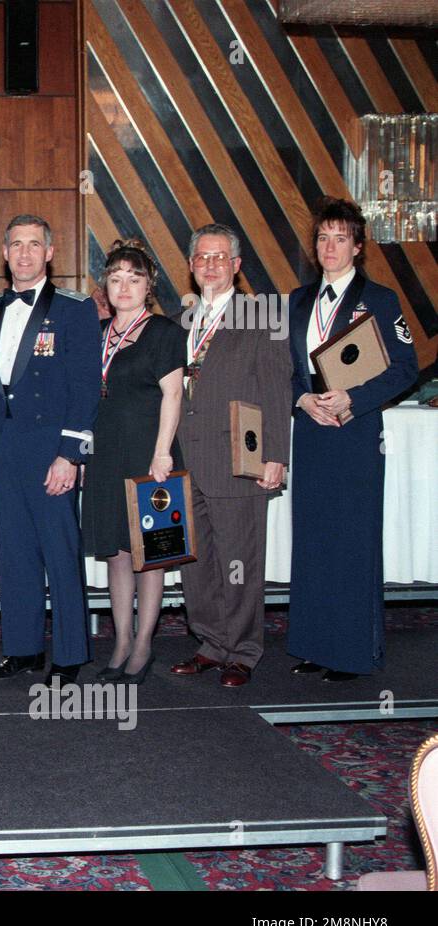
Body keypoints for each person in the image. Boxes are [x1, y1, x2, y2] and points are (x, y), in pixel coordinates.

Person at [286, 198, 417, 680]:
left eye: (340, 238)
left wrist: (353, 399)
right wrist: (302, 401)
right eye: (323, 237)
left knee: (353, 542)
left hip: (356, 433)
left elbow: (405, 368)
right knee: (314, 540)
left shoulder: (379, 300)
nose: (330, 247)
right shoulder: (297, 300)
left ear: (358, 247)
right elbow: (284, 370)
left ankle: (352, 651)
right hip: (312, 433)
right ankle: (314, 644)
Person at [0, 215, 101, 684]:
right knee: (16, 552)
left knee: (60, 553)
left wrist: (71, 454)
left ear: (49, 253)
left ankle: (69, 655)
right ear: (4, 253)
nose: (24, 253)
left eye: (33, 245)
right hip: (6, 448)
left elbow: (87, 388)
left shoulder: (75, 308)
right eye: (16, 245)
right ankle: (22, 648)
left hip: (51, 450)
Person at [170, 223, 291, 687]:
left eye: (221, 257)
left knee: (240, 560)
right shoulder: (181, 321)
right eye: (203, 257)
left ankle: (243, 650)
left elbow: (278, 391)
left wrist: (275, 456)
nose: (211, 265)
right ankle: (210, 642)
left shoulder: (264, 317)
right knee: (196, 562)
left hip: (240, 457)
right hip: (186, 458)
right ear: (191, 265)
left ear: (237, 266)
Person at [80, 240, 184, 685]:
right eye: (116, 278)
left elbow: (174, 395)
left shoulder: (164, 332)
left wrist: (163, 451)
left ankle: (143, 646)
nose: (124, 286)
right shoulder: (97, 332)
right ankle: (120, 642)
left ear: (148, 285)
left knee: (150, 556)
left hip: (148, 453)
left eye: (134, 278)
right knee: (116, 554)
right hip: (105, 456)